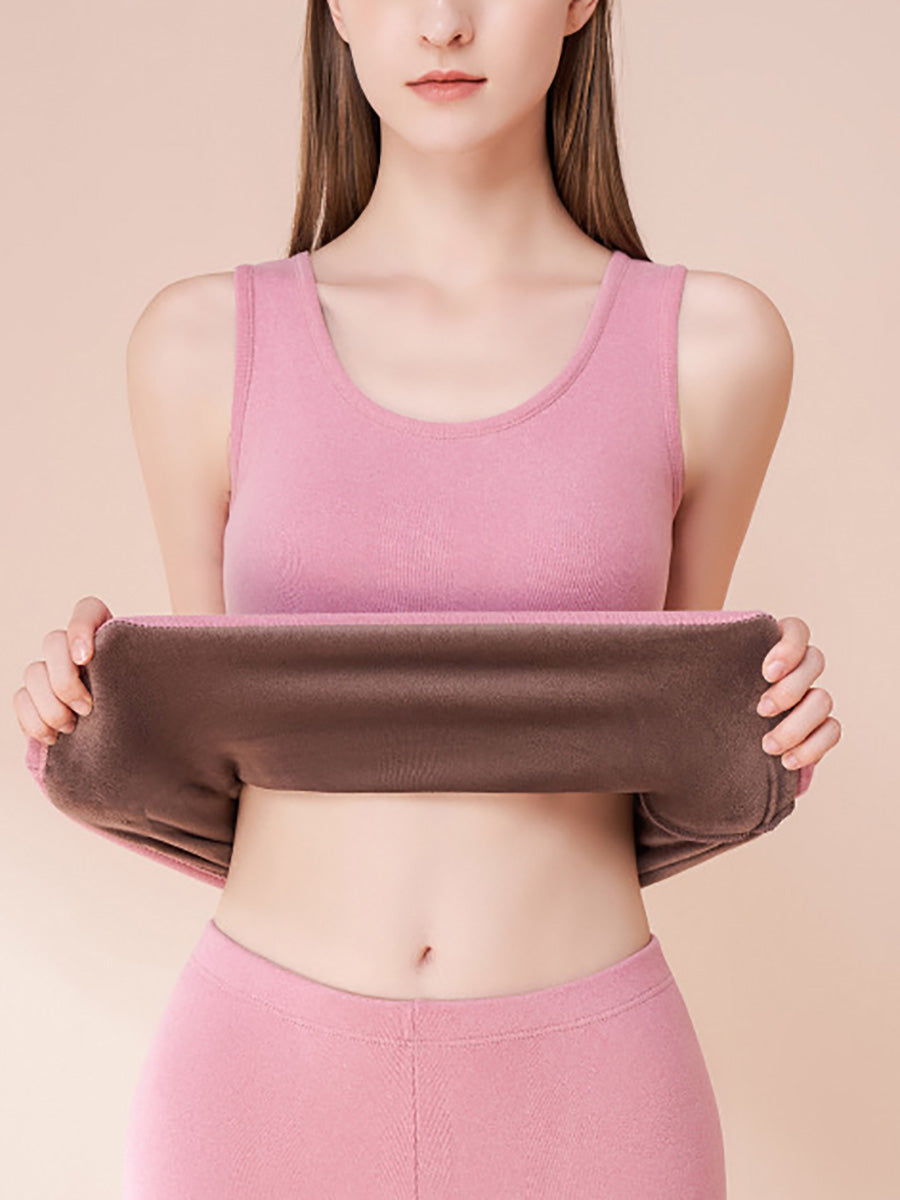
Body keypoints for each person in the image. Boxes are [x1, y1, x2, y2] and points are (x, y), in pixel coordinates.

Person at [13, 1, 841, 1196]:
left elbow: (653, 738)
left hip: (590, 1090)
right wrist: (86, 719)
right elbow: (239, 751)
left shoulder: (714, 347)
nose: (444, 23)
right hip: (262, 1084)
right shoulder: (196, 344)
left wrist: (765, 729)